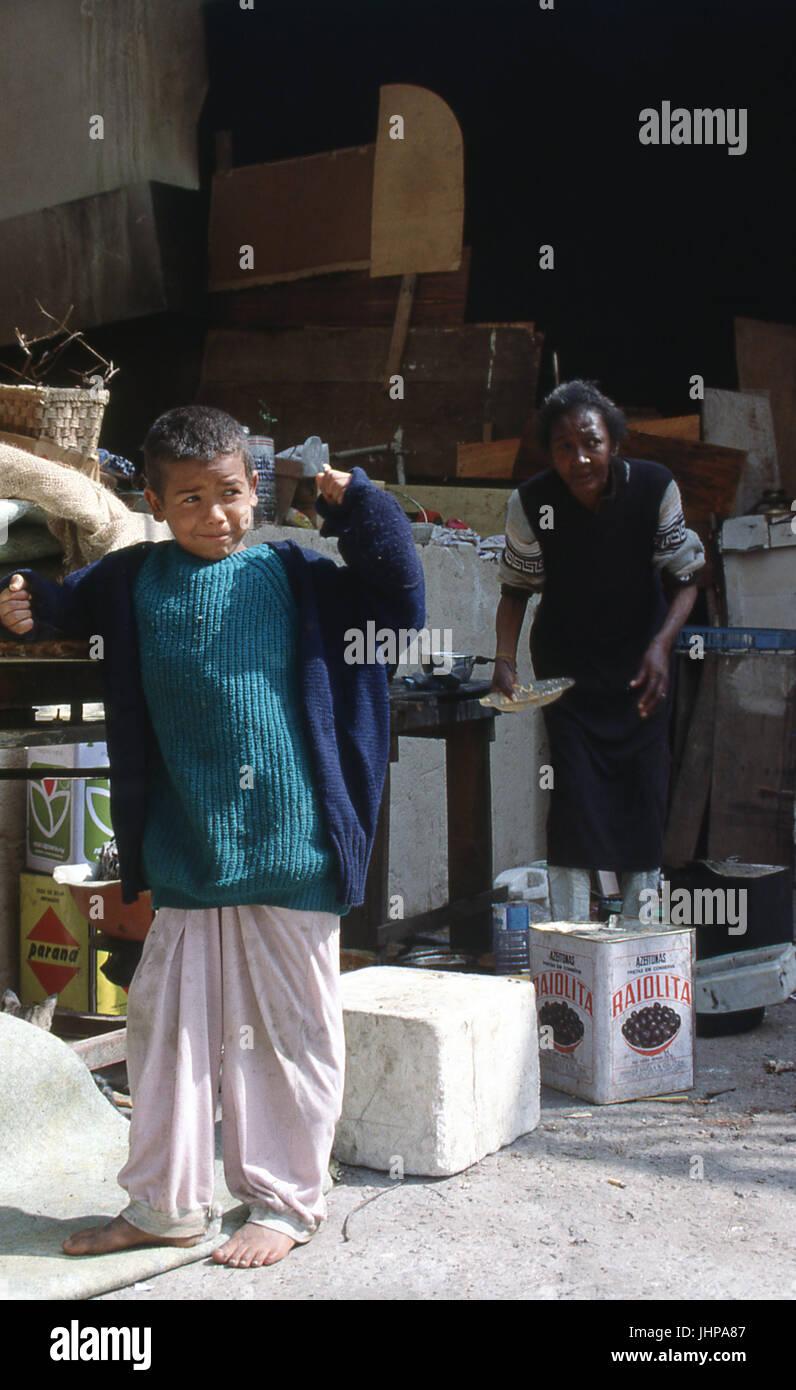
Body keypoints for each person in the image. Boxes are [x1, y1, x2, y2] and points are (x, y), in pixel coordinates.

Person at [0, 405, 425, 1268]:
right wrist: (24, 604)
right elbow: (62, 607)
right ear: (154, 501)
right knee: (165, 1031)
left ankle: (286, 1201)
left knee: (287, 1038)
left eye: (229, 494)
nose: (215, 515)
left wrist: (361, 505)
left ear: (254, 488)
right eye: (190, 499)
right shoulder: (132, 580)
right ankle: (165, 1205)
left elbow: (400, 601)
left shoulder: (296, 574)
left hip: (292, 850)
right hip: (193, 858)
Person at [492, 380, 705, 922]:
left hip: (642, 670)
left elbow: (687, 579)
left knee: (643, 795)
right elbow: (516, 588)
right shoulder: (533, 502)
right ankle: (569, 936)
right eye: (564, 447)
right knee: (574, 802)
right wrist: (505, 659)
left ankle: (638, 937)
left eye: (591, 442)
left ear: (614, 442)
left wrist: (662, 646)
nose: (580, 457)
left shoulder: (655, 489)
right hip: (569, 673)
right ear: (551, 452)